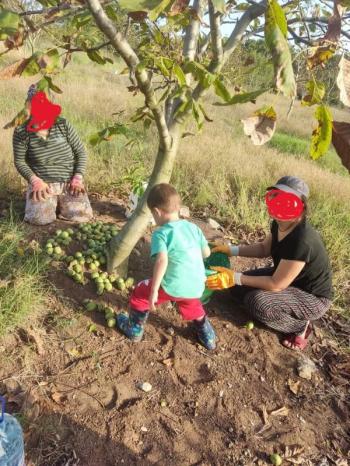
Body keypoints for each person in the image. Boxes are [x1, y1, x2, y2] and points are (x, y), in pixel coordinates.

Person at [206, 176, 332, 351]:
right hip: (287, 280)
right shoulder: (279, 222)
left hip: (311, 296)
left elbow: (276, 283)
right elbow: (264, 249)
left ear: (301, 205)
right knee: (236, 290)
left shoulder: (302, 240)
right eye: (277, 195)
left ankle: (300, 326)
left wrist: (234, 276)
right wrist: (231, 250)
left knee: (257, 302)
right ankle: (286, 309)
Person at [116, 183, 216, 350]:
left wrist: (154, 289)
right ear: (178, 208)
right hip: (196, 285)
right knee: (191, 302)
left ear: (156, 212)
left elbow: (162, 261)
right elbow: (206, 253)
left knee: (140, 292)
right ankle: (207, 336)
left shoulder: (161, 233)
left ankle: (134, 329)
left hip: (172, 286)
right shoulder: (193, 228)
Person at [13, 84, 93, 225]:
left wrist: (77, 178)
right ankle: (50, 204)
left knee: (81, 218)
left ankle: (59, 204)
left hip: (69, 181)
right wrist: (35, 181)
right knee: (39, 220)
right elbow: (20, 161)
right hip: (43, 184)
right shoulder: (21, 132)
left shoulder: (63, 124)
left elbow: (80, 152)